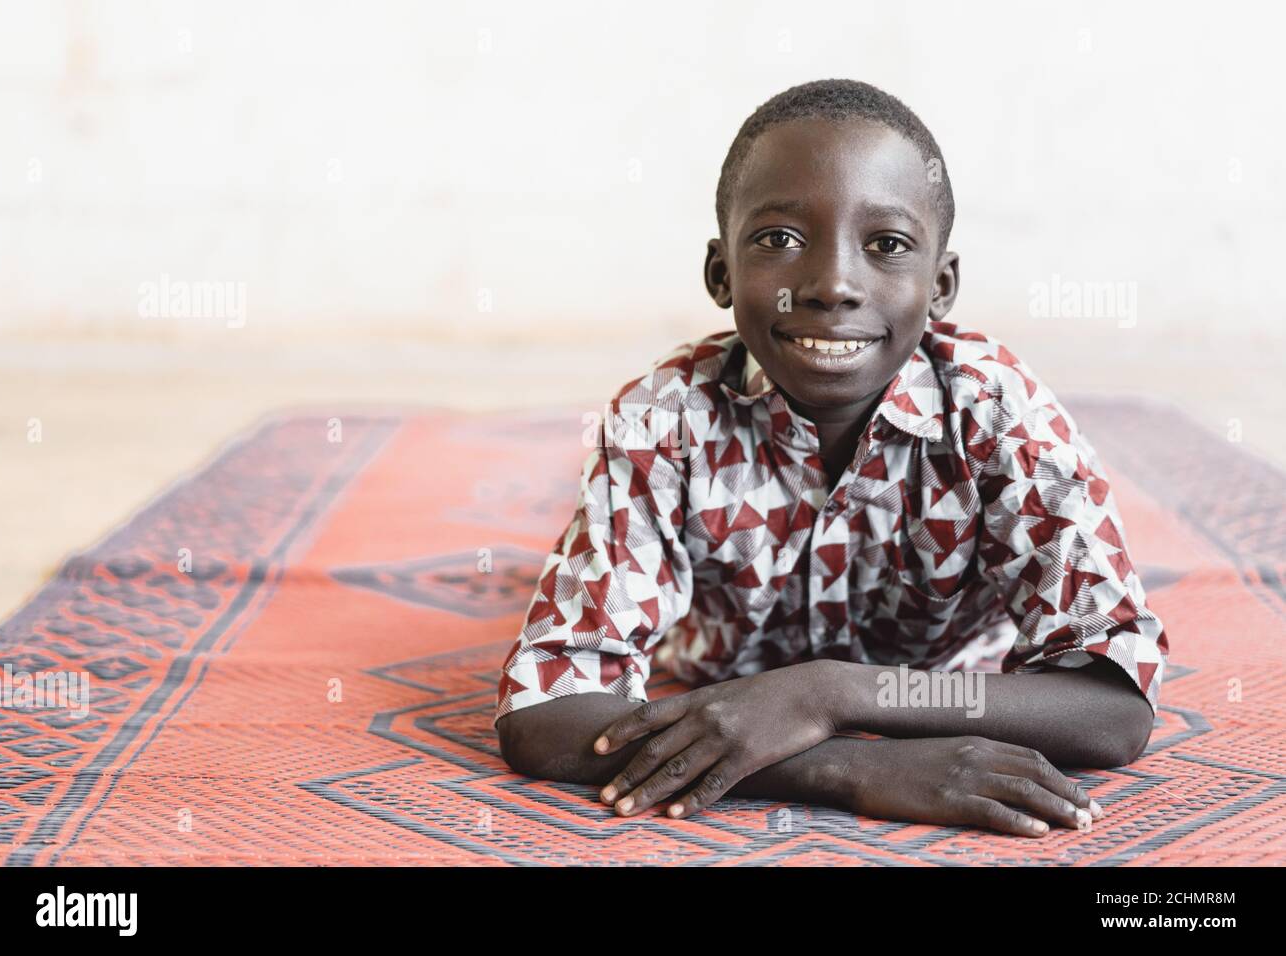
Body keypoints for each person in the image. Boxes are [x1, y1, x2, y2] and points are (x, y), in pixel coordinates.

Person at [493, 79, 1168, 838]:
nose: (833, 286)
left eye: (887, 245)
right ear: (720, 273)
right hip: (719, 675)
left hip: (935, 678)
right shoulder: (664, 419)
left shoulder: (997, 412)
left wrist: (828, 695)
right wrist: (850, 765)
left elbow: (1112, 710)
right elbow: (545, 713)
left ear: (941, 285)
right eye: (779, 239)